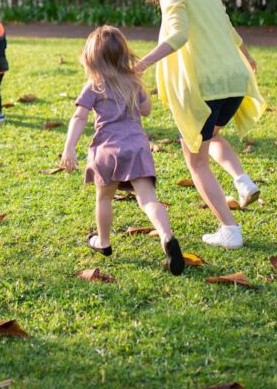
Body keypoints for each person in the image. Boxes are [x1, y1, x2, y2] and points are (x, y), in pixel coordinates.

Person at [134, 0, 265, 250]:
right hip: (233, 83)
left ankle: (229, 230)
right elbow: (232, 32)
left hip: (205, 88)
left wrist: (142, 63)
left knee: (196, 161)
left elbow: (177, 36)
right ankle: (242, 181)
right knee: (211, 137)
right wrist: (248, 59)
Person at [60, 26, 185, 275]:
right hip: (136, 147)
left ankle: (103, 242)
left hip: (106, 149)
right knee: (148, 199)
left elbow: (79, 116)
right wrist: (140, 88)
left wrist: (69, 148)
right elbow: (146, 110)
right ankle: (166, 235)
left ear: (91, 59)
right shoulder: (132, 82)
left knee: (104, 197)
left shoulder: (93, 85)